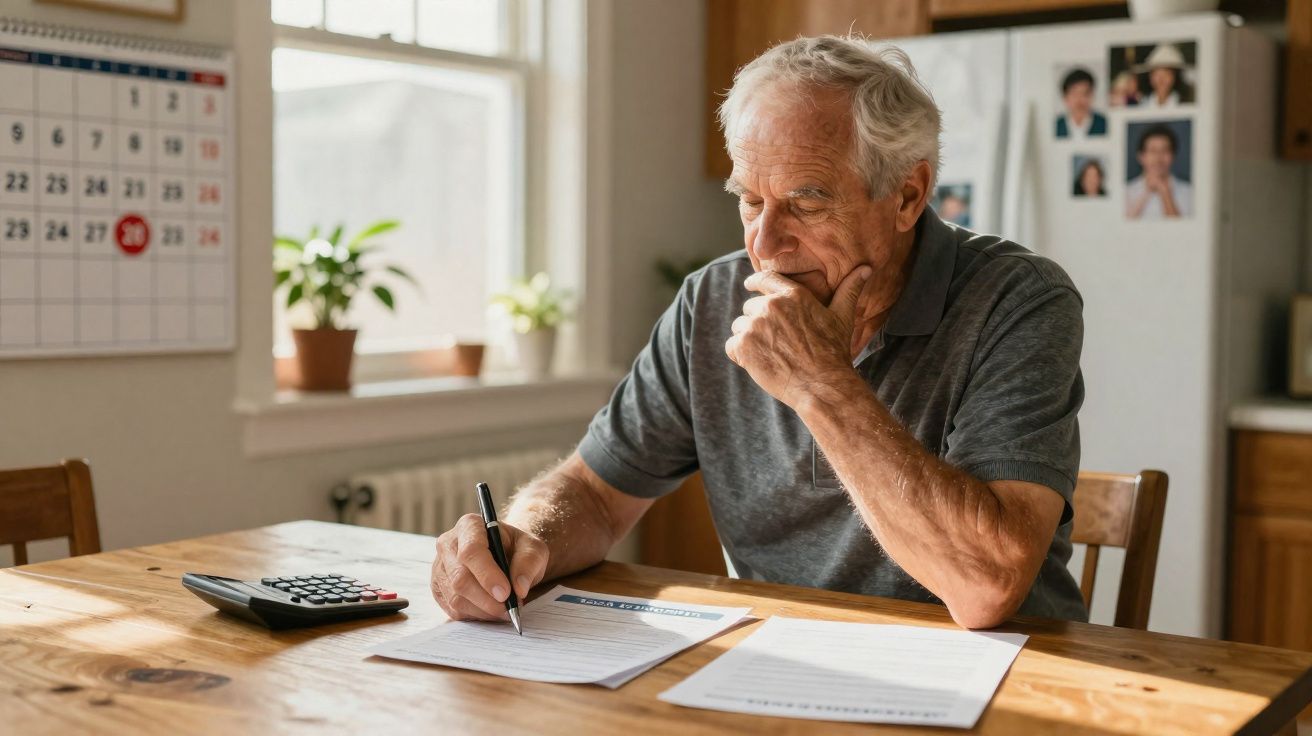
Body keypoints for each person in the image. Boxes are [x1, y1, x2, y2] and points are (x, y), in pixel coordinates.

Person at [430, 35, 1089, 630]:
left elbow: (985, 587)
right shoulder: (712, 299)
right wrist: (520, 541)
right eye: (750, 200)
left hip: (1003, 680)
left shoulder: (1019, 301)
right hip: (779, 671)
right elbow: (596, 497)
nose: (766, 245)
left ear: (908, 197)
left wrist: (820, 384)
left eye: (806, 202)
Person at [1127, 124, 1191, 219]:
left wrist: (1165, 194)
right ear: (1141, 157)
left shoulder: (1189, 192)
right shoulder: (1126, 191)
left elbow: (1186, 231)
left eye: (1164, 151)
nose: (1158, 158)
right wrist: (1146, 193)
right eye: (1153, 151)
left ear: (1173, 156)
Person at [1055, 67, 1107, 139]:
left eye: (1085, 94)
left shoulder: (1104, 123)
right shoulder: (1056, 125)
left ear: (1092, 96)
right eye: (1075, 94)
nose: (1080, 100)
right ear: (1065, 98)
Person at [1138, 44, 1188, 108]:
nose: (1161, 79)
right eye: (1157, 74)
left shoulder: (1184, 103)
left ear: (1173, 77)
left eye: (1166, 74)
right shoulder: (1142, 104)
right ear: (1150, 77)